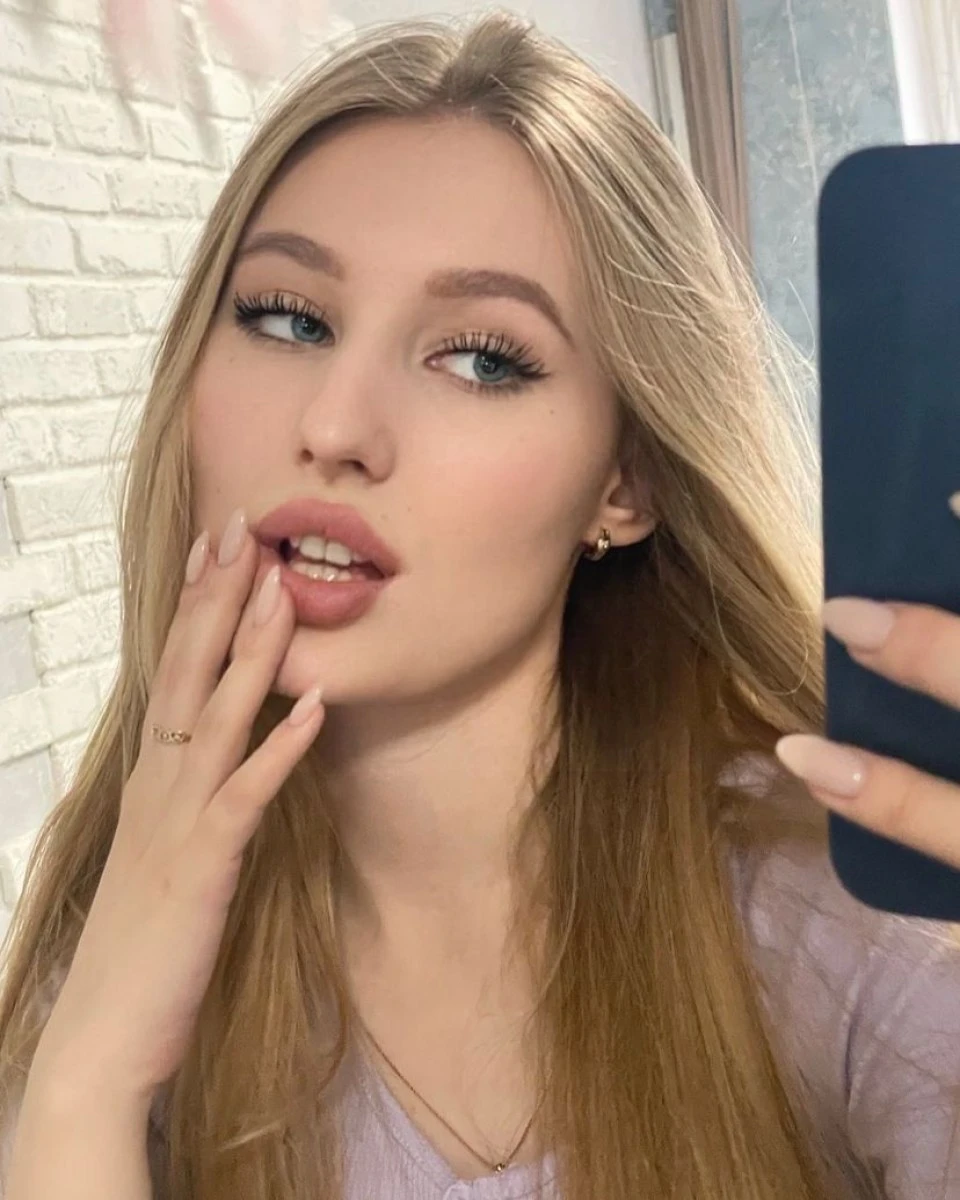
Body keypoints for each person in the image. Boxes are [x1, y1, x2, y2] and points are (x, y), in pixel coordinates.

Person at [0, 12, 958, 1200]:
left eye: (481, 359)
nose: (335, 427)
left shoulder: (848, 919)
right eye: (288, 318)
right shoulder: (116, 947)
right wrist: (87, 1085)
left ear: (625, 484)